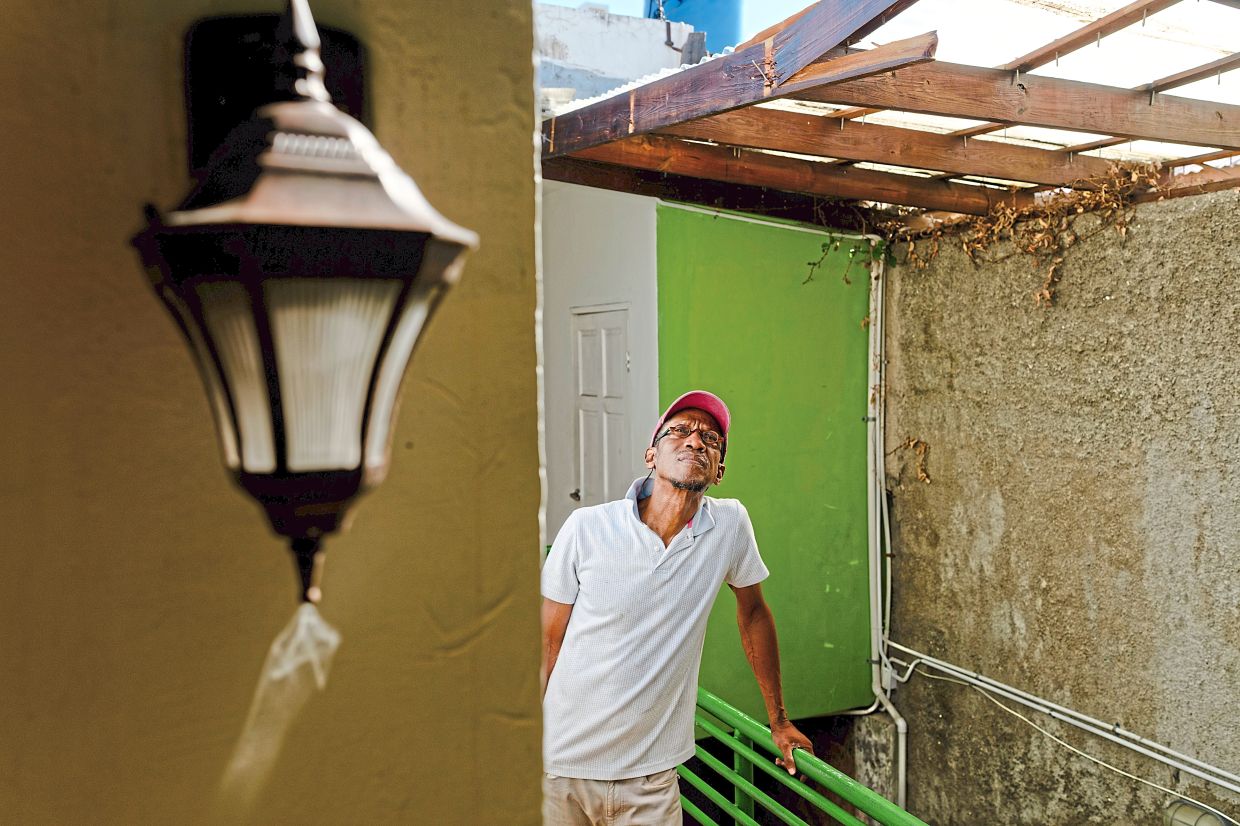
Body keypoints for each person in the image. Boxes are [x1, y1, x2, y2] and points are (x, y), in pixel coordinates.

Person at [540, 390, 812, 825]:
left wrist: (778, 721)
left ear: (719, 470)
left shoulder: (729, 526)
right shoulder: (587, 528)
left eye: (710, 439)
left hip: (651, 778)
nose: (695, 441)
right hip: (561, 768)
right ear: (652, 454)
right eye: (679, 431)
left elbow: (755, 613)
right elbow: (547, 642)